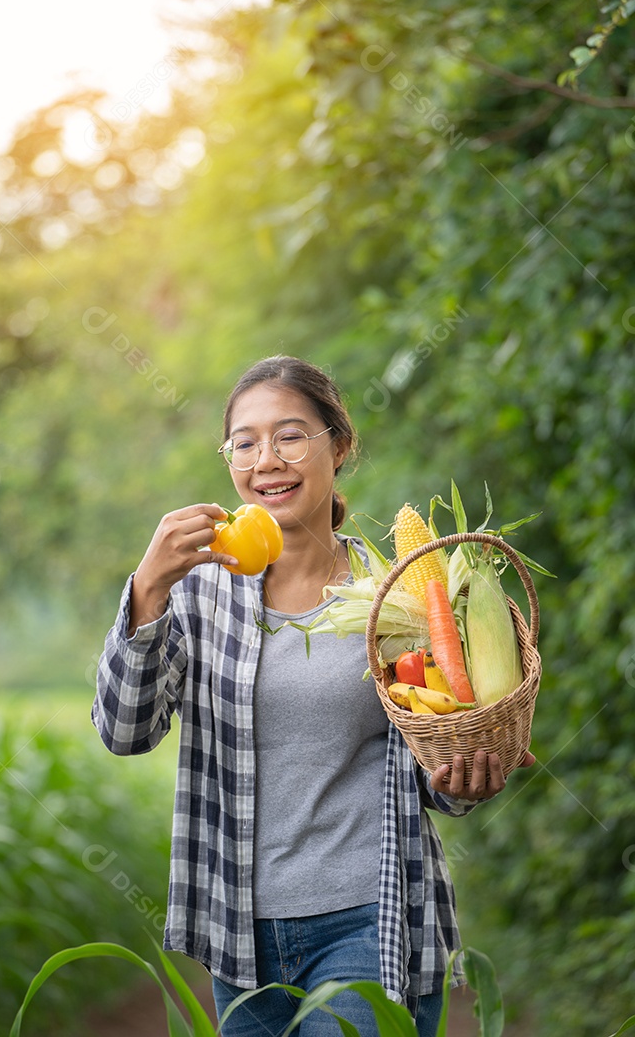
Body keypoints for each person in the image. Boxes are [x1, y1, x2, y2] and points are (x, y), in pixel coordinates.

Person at [92, 355, 534, 1037]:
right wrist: (147, 591)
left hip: (371, 918)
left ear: (340, 445)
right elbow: (125, 731)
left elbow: (437, 761)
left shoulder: (396, 595)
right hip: (239, 934)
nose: (266, 458)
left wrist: (466, 780)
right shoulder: (197, 593)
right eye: (245, 442)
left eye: (291, 435)